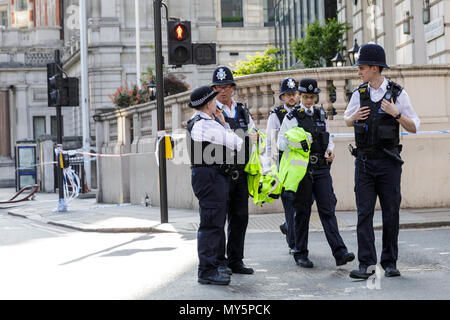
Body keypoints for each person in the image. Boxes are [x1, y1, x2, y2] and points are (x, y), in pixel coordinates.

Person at [344, 43, 420, 279]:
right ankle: (366, 264)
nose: (359, 72)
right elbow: (347, 120)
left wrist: (395, 113)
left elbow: (415, 126)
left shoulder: (398, 94)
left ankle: (389, 262)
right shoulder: (359, 94)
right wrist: (354, 116)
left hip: (389, 163)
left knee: (390, 213)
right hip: (364, 163)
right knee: (364, 214)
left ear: (375, 68)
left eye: (362, 67)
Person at [278, 78, 355, 268]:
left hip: (321, 168)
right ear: (299, 96)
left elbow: (329, 137)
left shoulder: (321, 114)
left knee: (328, 210)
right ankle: (300, 253)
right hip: (302, 171)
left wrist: (330, 149)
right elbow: (281, 143)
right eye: (305, 96)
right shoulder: (292, 117)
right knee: (302, 212)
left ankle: (340, 252)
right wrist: (299, 142)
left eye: (312, 97)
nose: (309, 100)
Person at [186, 85, 244, 285]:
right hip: (209, 176)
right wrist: (224, 124)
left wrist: (221, 121)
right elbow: (236, 143)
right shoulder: (205, 125)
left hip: (212, 175)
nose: (216, 104)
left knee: (216, 223)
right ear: (208, 103)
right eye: (213, 101)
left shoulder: (206, 123)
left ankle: (216, 264)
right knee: (211, 224)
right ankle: (207, 270)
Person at [211, 66, 257, 275]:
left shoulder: (242, 110)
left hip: (241, 171)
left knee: (240, 218)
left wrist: (251, 138)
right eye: (218, 87)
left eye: (226, 86)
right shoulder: (211, 112)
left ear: (232, 88)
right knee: (219, 220)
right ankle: (220, 262)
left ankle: (235, 261)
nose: (223, 91)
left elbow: (254, 134)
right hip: (221, 173)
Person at [264, 77, 300, 253]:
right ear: (282, 97)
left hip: (301, 165)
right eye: (288, 95)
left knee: (305, 202)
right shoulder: (276, 115)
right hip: (284, 166)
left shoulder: (303, 111)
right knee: (290, 203)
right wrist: (271, 169)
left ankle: (288, 225)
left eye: (294, 94)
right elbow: (270, 144)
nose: (291, 98)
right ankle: (293, 244)